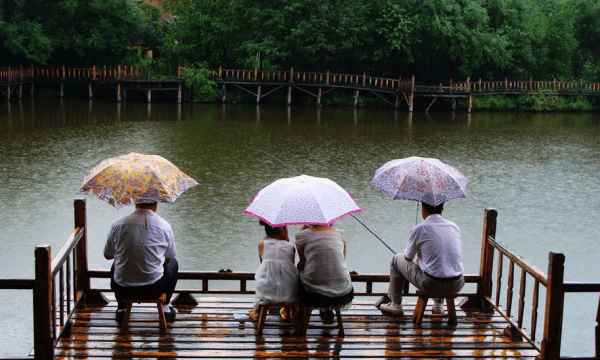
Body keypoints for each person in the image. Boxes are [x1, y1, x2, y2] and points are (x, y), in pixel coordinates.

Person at [379, 202, 464, 316]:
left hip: (431, 285)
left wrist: (420, 258)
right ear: (442, 208)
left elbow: (408, 257)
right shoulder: (454, 227)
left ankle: (395, 304)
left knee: (396, 259)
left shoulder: (420, 228)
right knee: (441, 265)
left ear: (423, 209)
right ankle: (438, 306)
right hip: (457, 284)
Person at [104, 201, 179, 323]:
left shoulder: (118, 223)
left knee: (116, 262)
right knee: (173, 264)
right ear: (155, 205)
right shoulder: (164, 225)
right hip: (153, 289)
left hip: (123, 289)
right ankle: (165, 309)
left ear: (135, 204)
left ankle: (121, 310)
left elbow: (108, 255)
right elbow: (168, 259)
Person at [295, 223, 354, 321]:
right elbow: (342, 259)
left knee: (300, 268)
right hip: (342, 290)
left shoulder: (303, 236)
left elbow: (303, 263)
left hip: (313, 293)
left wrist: (303, 232)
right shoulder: (339, 234)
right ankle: (327, 310)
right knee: (332, 268)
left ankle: (300, 310)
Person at [248, 220, 299, 321]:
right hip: (288, 293)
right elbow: (290, 267)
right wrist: (286, 240)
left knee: (263, 278)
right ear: (283, 231)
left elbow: (263, 265)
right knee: (288, 278)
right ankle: (287, 311)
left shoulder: (262, 245)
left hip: (266, 293)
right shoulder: (291, 247)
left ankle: (258, 312)